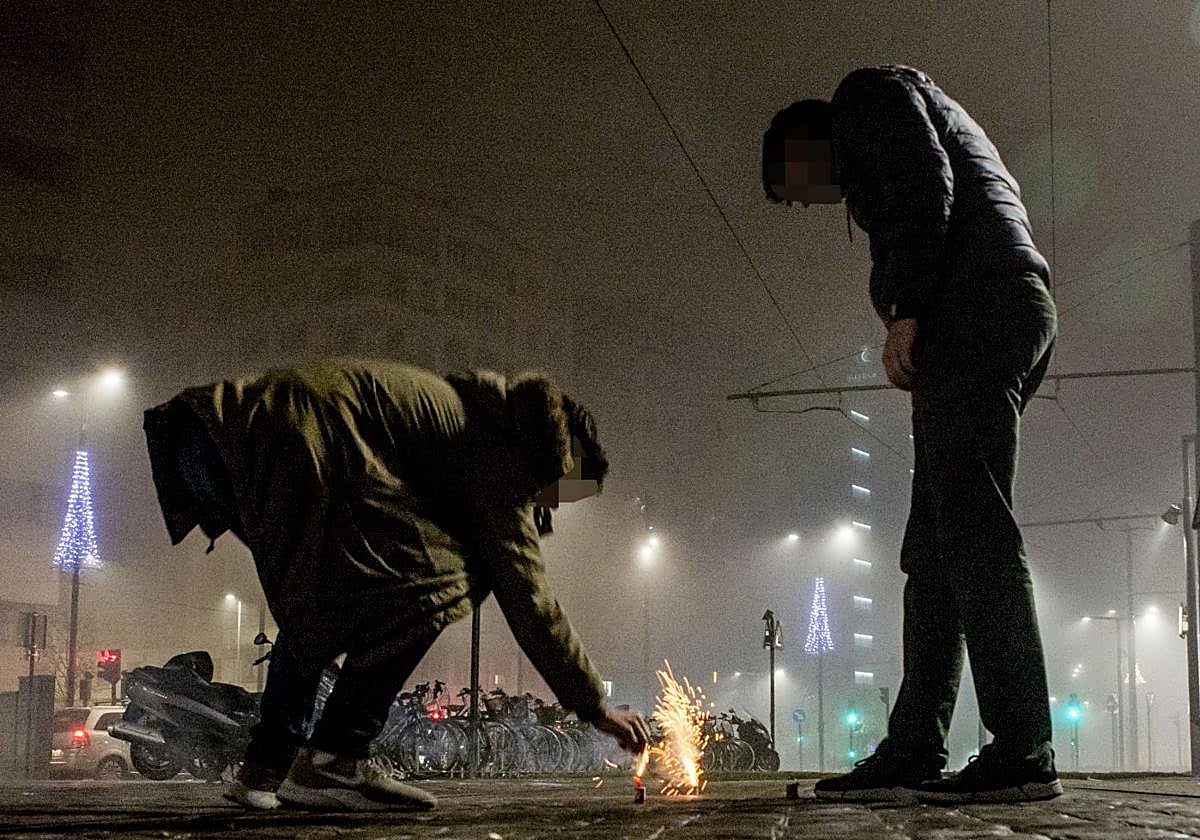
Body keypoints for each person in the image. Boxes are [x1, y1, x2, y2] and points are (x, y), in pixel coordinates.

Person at [143, 358, 650, 811]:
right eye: (564, 492)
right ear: (562, 460)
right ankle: (336, 757)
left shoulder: (476, 414)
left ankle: (269, 766)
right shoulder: (499, 451)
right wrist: (595, 705)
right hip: (265, 447)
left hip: (211, 437)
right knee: (433, 586)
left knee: (330, 596)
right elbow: (528, 595)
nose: (554, 506)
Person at [762, 65, 1059, 804]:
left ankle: (1024, 745)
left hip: (978, 307)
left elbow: (929, 188)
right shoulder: (887, 135)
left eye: (796, 187)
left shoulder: (868, 96)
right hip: (993, 306)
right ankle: (916, 744)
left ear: (802, 145)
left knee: (972, 527)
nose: (810, 203)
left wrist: (910, 308)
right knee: (932, 548)